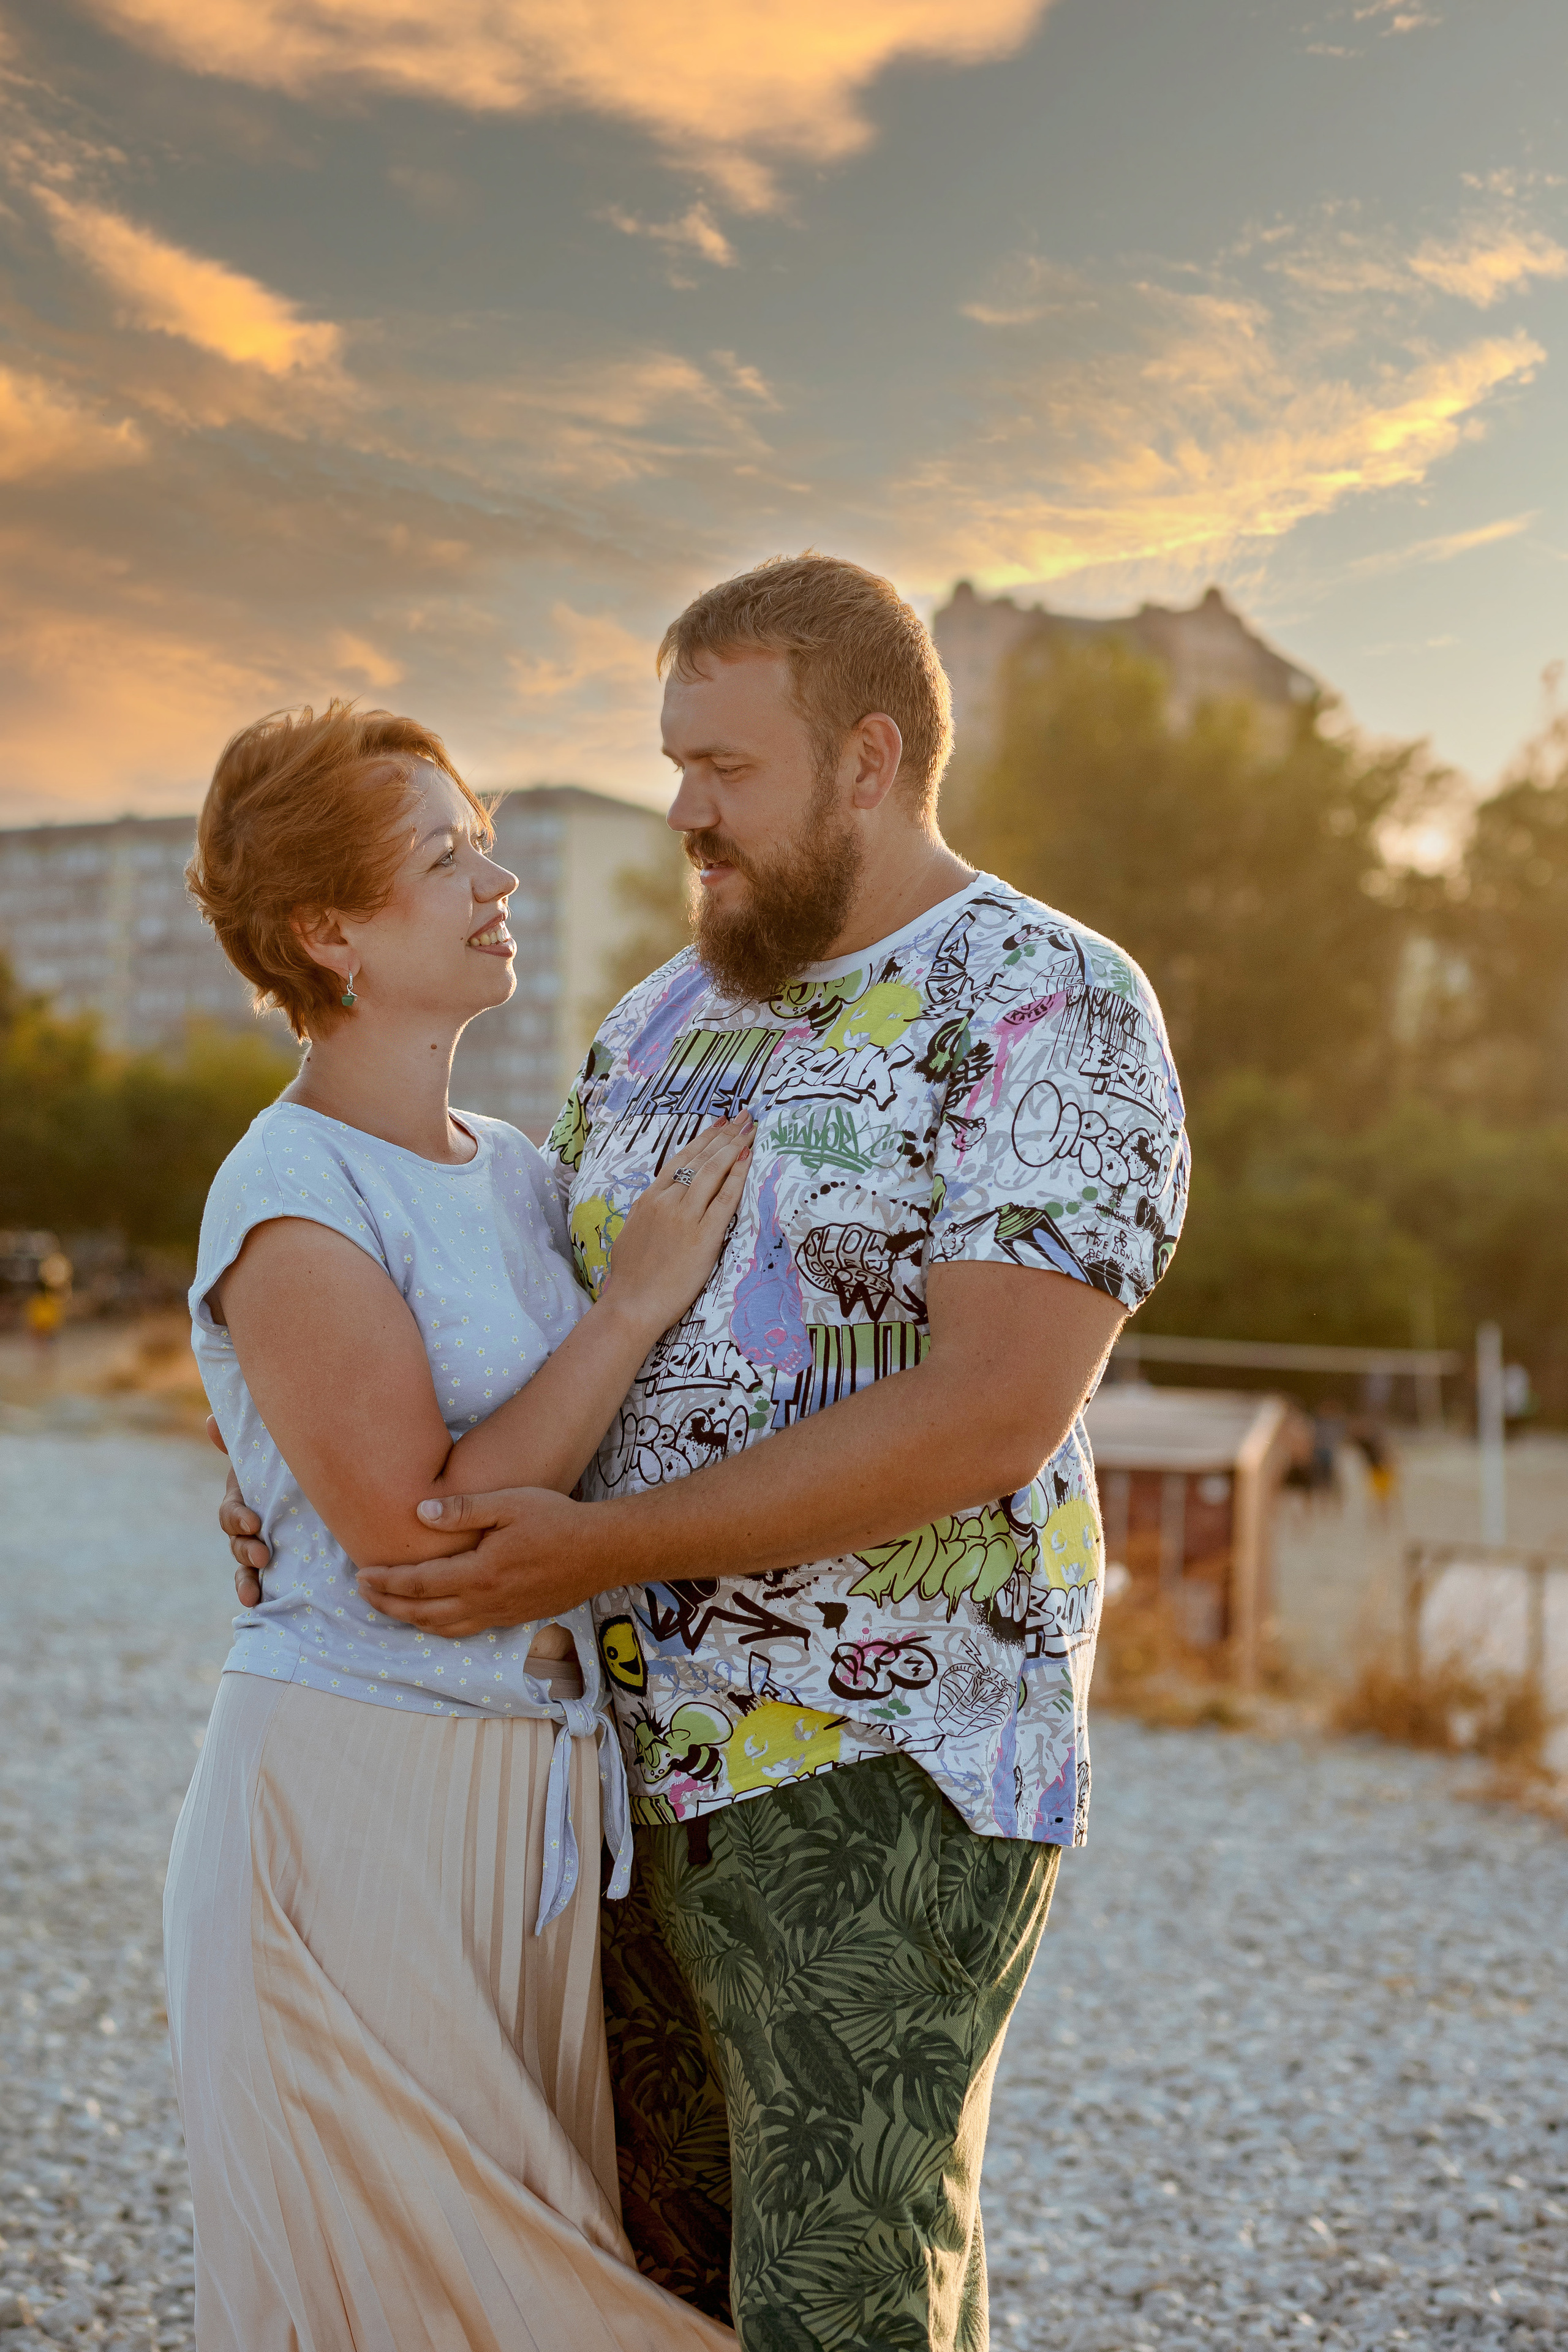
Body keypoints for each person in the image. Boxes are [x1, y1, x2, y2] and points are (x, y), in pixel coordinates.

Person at [221, 554, 1191, 2352]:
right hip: (619, 1784)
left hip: (888, 1760)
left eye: (725, 772)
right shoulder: (659, 1024)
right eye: (674, 765)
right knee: (661, 2290)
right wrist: (299, 1459)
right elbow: (528, 1343)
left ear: (869, 760)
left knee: (843, 2293)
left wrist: (605, 1548)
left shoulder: (1049, 1004)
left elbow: (993, 1410)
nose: (685, 813)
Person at [172, 702, 748, 2351]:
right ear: (328, 930)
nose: (497, 880)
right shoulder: (289, 1187)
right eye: (445, 857)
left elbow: (517, 1451)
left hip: (535, 1810)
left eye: (484, 838)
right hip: (360, 1807)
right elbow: (422, 1543)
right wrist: (631, 1305)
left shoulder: (510, 1166)